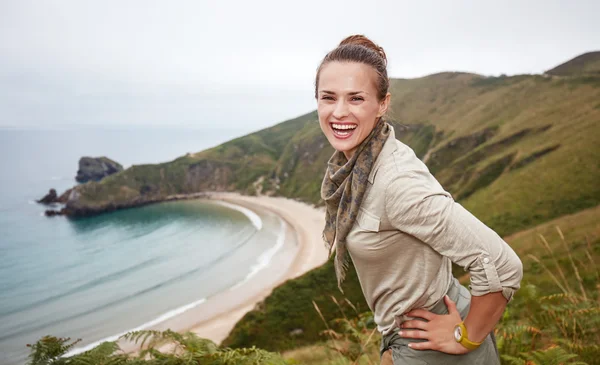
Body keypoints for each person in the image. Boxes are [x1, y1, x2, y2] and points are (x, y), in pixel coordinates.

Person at [317, 34, 523, 365]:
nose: (339, 112)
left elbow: (501, 264)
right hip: (407, 333)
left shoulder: (396, 182)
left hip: (432, 341)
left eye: (356, 98)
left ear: (382, 104)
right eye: (328, 97)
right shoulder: (357, 165)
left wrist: (464, 337)